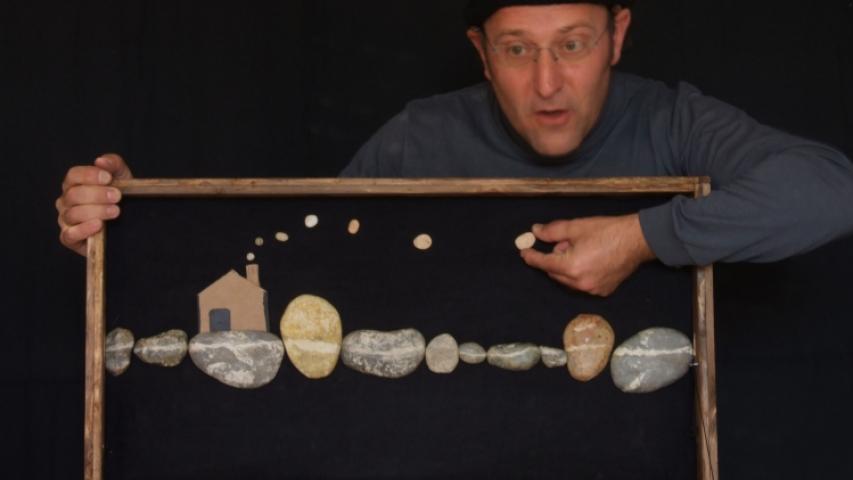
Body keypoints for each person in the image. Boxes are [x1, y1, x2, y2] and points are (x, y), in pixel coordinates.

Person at [56, 0, 853, 296]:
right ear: (480, 52)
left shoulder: (673, 120)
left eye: (573, 44)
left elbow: (831, 191)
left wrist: (643, 238)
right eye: (516, 49)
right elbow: (287, 264)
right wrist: (134, 221)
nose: (547, 83)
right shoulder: (420, 136)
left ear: (617, 35)